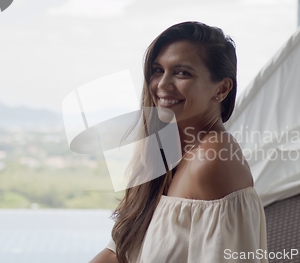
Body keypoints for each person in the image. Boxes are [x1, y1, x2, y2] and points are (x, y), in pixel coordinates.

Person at [89, 21, 268, 263]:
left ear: (222, 89)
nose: (162, 85)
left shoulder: (212, 160)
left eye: (182, 72)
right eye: (157, 70)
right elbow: (117, 254)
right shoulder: (166, 154)